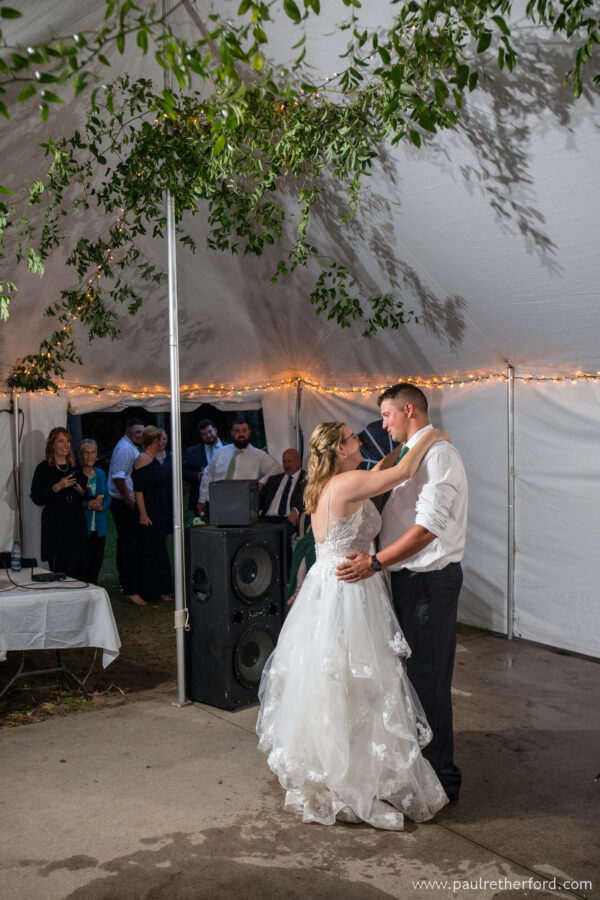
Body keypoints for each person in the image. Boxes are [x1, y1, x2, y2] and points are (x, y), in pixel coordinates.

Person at [257, 421, 450, 829]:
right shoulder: (348, 485)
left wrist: (398, 448)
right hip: (348, 592)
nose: (359, 441)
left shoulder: (330, 483)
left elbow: (383, 466)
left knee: (338, 680)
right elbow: (397, 475)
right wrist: (428, 436)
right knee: (352, 681)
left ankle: (343, 765)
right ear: (339, 450)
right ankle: (348, 775)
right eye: (351, 439)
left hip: (329, 587)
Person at [336, 384, 468, 803]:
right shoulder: (417, 452)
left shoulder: (440, 456)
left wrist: (376, 563)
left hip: (430, 580)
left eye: (387, 416)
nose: (382, 425)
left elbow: (428, 528)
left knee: (429, 680)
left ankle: (442, 779)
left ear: (407, 409)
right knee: (414, 676)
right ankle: (420, 767)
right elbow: (387, 478)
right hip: (409, 581)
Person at [30, 427, 89, 580]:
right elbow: (37, 498)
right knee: (60, 565)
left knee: (78, 562)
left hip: (76, 521)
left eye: (68, 441)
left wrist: (83, 492)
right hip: (56, 524)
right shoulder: (43, 468)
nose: (65, 444)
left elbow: (85, 492)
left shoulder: (75, 466)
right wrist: (57, 487)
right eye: (61, 441)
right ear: (52, 444)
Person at [197, 419, 280, 516]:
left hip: (243, 505)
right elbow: (208, 475)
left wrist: (261, 482)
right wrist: (202, 500)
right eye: (237, 431)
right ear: (232, 433)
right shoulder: (221, 452)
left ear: (249, 432)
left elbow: (276, 470)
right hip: (217, 503)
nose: (241, 434)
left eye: (244, 430)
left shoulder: (259, 455)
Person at [132, 425, 173, 603]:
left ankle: (162, 588)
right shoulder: (142, 460)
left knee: (160, 551)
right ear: (153, 441)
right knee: (149, 551)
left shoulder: (153, 458)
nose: (162, 442)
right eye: (159, 439)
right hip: (149, 512)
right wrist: (143, 514)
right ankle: (149, 589)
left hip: (160, 511)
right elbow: (138, 490)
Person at [108, 418, 145, 605]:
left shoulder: (131, 446)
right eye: (137, 432)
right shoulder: (124, 449)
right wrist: (129, 500)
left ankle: (130, 581)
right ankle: (127, 583)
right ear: (128, 431)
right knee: (127, 542)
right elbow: (118, 477)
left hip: (126, 501)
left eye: (142, 432)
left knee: (129, 541)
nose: (141, 435)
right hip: (121, 502)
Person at [78, 439, 112, 584]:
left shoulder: (100, 473)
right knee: (82, 563)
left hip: (99, 527)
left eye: (93, 452)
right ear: (80, 455)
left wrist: (100, 507)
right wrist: (88, 505)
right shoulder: (76, 474)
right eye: (86, 452)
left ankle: (93, 590)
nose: (90, 456)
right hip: (81, 527)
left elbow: (108, 497)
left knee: (96, 562)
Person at [260, 448, 307, 538]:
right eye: (284, 462)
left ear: (299, 462)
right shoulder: (273, 480)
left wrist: (296, 510)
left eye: (289, 462)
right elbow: (260, 501)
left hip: (287, 519)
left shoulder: (307, 478)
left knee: (280, 532)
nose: (286, 465)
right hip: (267, 519)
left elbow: (306, 497)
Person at [182, 419, 225, 512]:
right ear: (201, 436)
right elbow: (183, 471)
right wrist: (196, 476)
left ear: (215, 430)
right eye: (204, 434)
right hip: (201, 500)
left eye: (210, 431)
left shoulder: (229, 448)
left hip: (226, 496)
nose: (208, 435)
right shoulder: (192, 452)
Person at [156, 428, 173, 533]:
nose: (162, 442)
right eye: (159, 439)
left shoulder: (171, 455)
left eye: (164, 439)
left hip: (169, 495)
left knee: (166, 528)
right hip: (155, 496)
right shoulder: (148, 457)